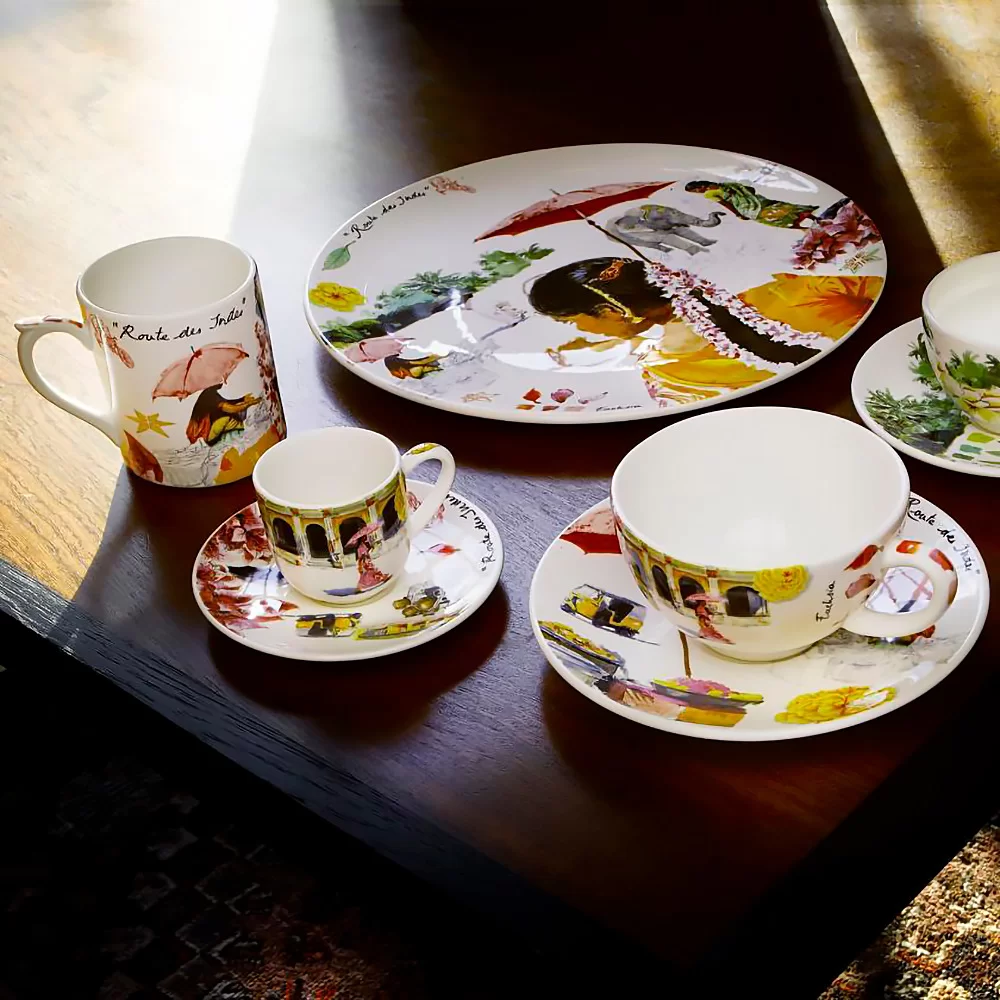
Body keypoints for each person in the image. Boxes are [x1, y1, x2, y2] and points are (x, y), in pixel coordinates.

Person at [527, 257, 821, 402]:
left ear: (610, 311)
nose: (578, 331)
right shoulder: (791, 289)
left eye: (570, 321)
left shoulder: (668, 374)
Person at [684, 180, 818, 228]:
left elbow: (725, 204)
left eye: (695, 191)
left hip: (746, 205)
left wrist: (738, 214)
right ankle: (810, 215)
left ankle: (796, 223)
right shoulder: (723, 184)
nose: (697, 193)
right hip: (755, 199)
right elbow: (750, 189)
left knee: (761, 217)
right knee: (777, 205)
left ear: (699, 187)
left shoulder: (708, 194)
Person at [186, 384, 261, 445]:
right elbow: (231, 408)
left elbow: (226, 403)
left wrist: (243, 399)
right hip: (210, 435)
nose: (223, 380)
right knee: (234, 420)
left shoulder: (209, 393)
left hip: (211, 432)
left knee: (234, 418)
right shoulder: (210, 395)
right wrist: (248, 404)